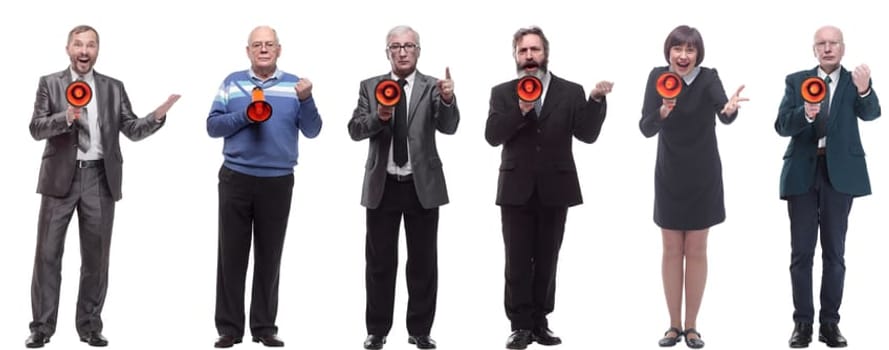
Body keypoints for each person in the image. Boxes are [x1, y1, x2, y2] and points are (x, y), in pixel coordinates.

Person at [24, 24, 178, 349]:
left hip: (99, 179)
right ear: (68, 49)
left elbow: (132, 129)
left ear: (97, 50)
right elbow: (36, 129)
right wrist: (64, 116)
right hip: (58, 180)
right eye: (78, 45)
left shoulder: (113, 88)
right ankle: (41, 328)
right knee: (47, 255)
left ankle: (90, 326)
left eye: (90, 45)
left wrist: (157, 115)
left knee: (96, 259)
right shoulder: (49, 83)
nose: (84, 51)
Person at [485, 25, 612, 350]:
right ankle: (519, 326)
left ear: (546, 53)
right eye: (523, 51)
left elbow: (587, 134)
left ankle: (540, 322)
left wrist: (596, 100)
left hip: (556, 186)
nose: (529, 57)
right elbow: (492, 136)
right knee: (516, 259)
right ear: (515, 55)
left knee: (547, 258)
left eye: (535, 50)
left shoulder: (570, 91)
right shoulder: (502, 92)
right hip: (516, 188)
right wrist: (520, 110)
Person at [205, 25, 323, 348]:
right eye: (257, 44)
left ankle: (264, 327)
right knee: (231, 254)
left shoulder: (295, 85)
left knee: (270, 255)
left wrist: (307, 99)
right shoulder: (232, 82)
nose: (263, 49)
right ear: (248, 51)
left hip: (278, 180)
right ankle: (229, 328)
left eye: (269, 44)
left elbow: (313, 130)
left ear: (279, 49)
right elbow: (212, 126)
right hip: (236, 178)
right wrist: (246, 115)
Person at [347, 25, 460, 350]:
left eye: (408, 46)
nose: (402, 51)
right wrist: (379, 118)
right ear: (387, 52)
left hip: (421, 185)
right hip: (383, 185)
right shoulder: (370, 87)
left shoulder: (433, 86)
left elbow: (449, 127)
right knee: (380, 262)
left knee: (423, 262)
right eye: (395, 46)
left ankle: (420, 330)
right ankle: (377, 330)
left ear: (418, 50)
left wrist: (449, 99)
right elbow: (354, 130)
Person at [640, 24, 746, 350]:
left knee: (696, 250)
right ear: (669, 51)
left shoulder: (708, 77)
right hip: (670, 173)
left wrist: (730, 110)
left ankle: (692, 327)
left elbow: (723, 111)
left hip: (703, 175)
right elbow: (645, 127)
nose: (683, 56)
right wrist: (661, 111)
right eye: (678, 49)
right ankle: (672, 326)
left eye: (690, 50)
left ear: (698, 53)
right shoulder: (658, 77)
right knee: (672, 250)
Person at [773, 25, 878, 349]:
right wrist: (804, 114)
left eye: (833, 43)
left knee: (835, 253)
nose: (828, 48)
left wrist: (864, 90)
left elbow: (872, 113)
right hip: (803, 171)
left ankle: (829, 325)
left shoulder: (853, 80)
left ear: (843, 48)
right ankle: (802, 324)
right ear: (814, 49)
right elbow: (780, 125)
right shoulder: (796, 80)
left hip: (839, 175)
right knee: (801, 253)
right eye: (822, 44)